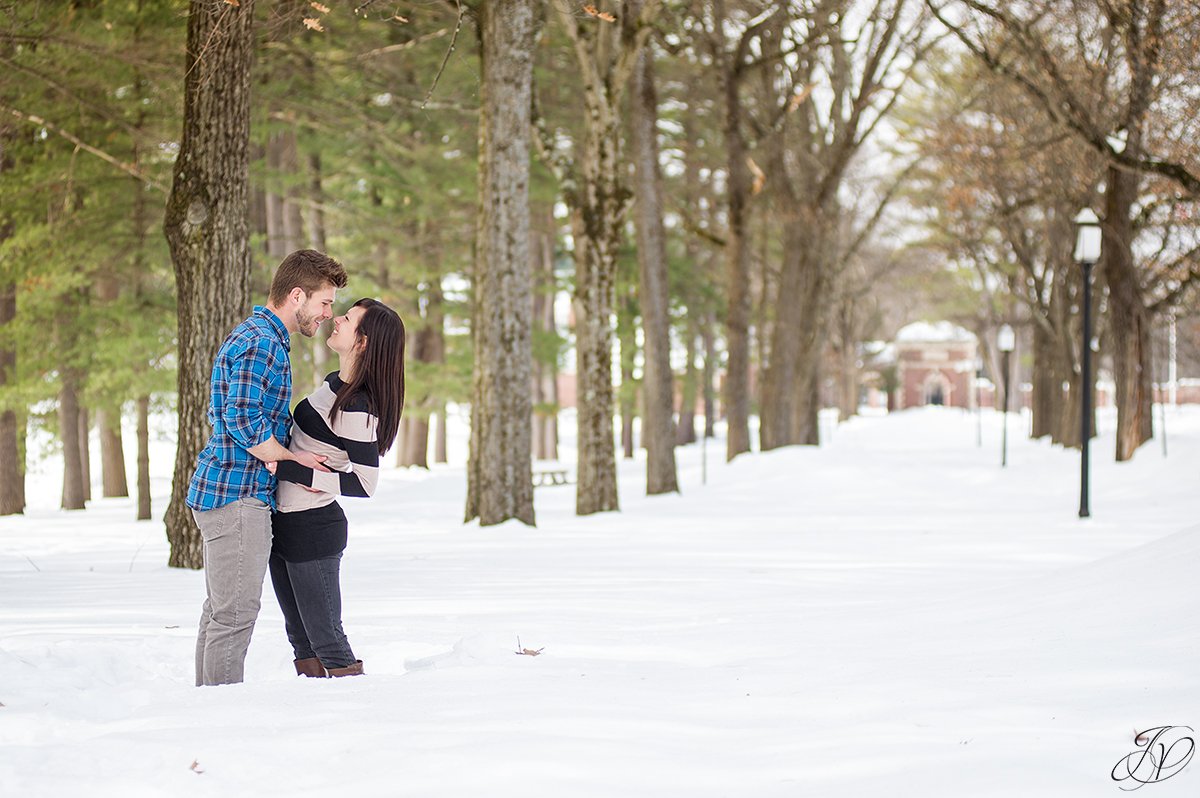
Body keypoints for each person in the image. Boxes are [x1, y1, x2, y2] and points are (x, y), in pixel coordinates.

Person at [187, 250, 348, 687]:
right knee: (234, 614)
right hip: (236, 495)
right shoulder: (261, 341)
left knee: (222, 611)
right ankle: (219, 714)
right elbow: (241, 416)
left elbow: (232, 412)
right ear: (297, 295)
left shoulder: (263, 336)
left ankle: (206, 706)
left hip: (228, 490)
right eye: (325, 302)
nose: (329, 314)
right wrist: (293, 458)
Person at [268, 298, 405, 678]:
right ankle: (318, 717)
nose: (335, 319)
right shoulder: (335, 384)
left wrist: (294, 470)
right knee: (300, 638)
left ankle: (354, 710)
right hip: (286, 523)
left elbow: (365, 484)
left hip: (314, 528)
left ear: (362, 342)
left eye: (347, 319)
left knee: (327, 639)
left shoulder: (358, 406)